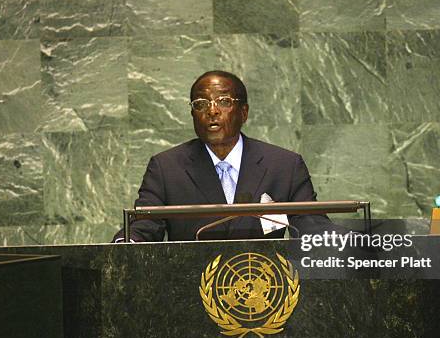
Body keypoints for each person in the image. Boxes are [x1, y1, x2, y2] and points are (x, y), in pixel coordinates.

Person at [113, 70, 348, 242]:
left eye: (224, 102)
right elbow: (144, 224)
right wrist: (127, 242)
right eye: (201, 104)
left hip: (267, 292)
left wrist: (352, 243)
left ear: (243, 112)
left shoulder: (283, 165)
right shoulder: (166, 168)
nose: (212, 111)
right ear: (193, 114)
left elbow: (311, 224)